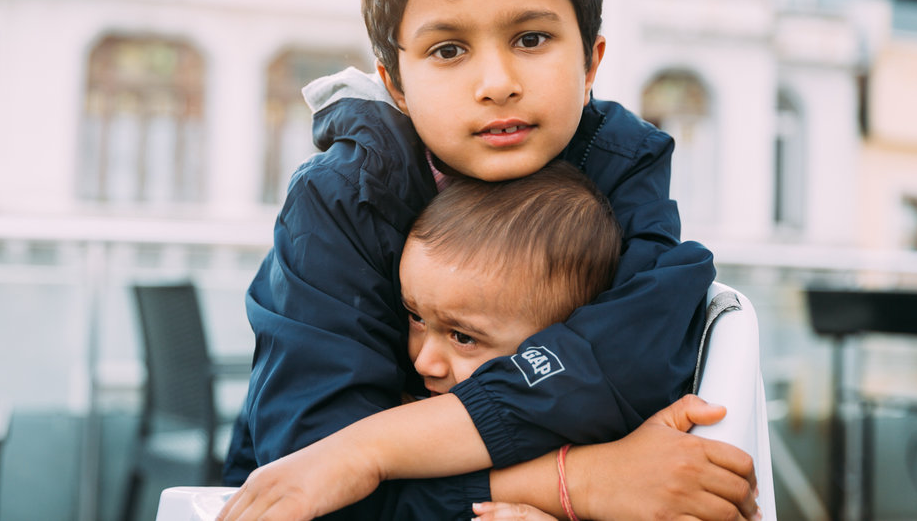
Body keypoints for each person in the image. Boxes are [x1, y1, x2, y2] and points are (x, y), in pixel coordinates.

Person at [222, 0, 758, 520]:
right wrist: (576, 482)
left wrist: (371, 450)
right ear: (395, 82)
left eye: (530, 39)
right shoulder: (341, 200)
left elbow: (632, 358)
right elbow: (311, 473)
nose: (497, 82)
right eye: (449, 49)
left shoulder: (621, 167)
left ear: (591, 62)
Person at [223, 161, 622, 521]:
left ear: (554, 345)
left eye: (463, 337)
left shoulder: (612, 441)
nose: (424, 362)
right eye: (416, 318)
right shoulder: (384, 410)